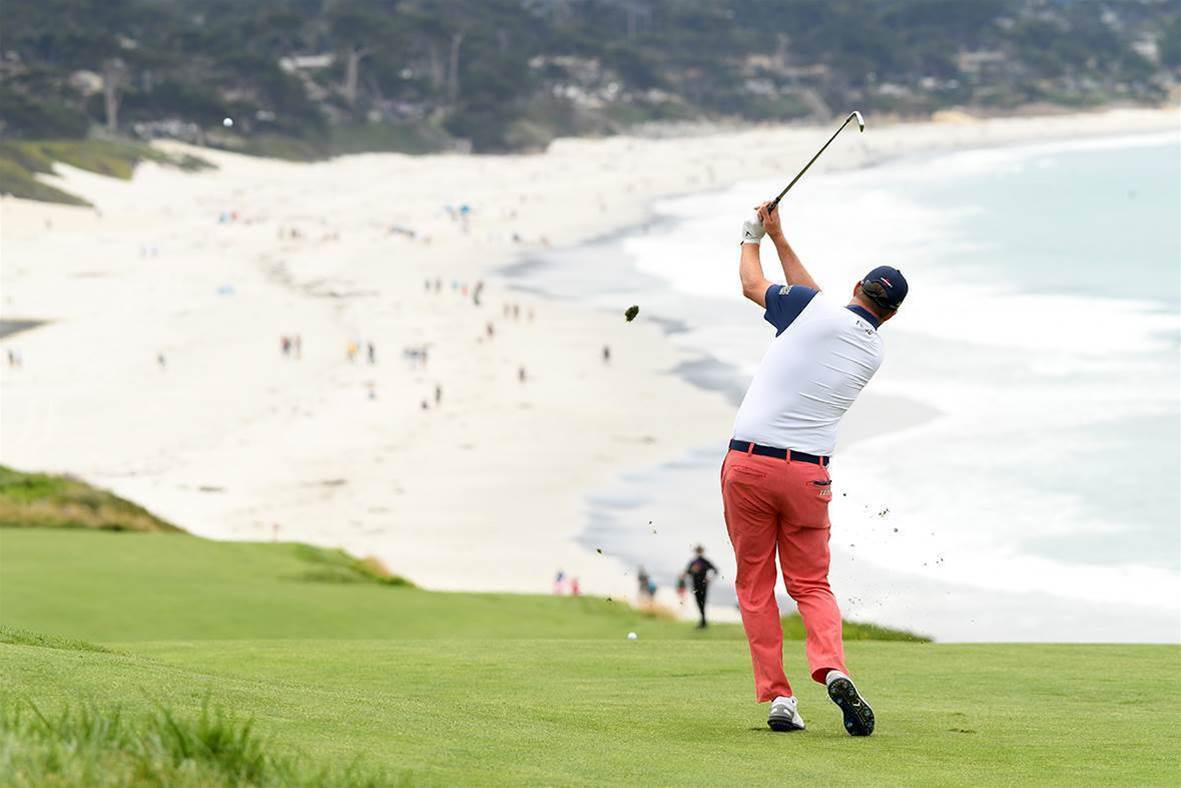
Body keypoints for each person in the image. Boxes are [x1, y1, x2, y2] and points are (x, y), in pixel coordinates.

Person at [723, 202, 908, 736]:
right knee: (811, 585)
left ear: (856, 286)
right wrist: (780, 237)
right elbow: (815, 301)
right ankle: (832, 669)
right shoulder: (872, 350)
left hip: (749, 465)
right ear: (891, 314)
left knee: (756, 584)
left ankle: (780, 698)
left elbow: (751, 285)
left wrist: (751, 237)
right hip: (809, 476)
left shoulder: (813, 311)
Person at [682, 546, 716, 629]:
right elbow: (688, 572)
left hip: (704, 586)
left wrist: (709, 578)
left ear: (702, 552)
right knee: (698, 603)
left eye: (700, 551)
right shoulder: (693, 562)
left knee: (702, 603)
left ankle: (703, 621)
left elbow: (715, 570)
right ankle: (703, 621)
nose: (699, 553)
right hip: (695, 586)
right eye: (698, 551)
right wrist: (688, 573)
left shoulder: (706, 562)